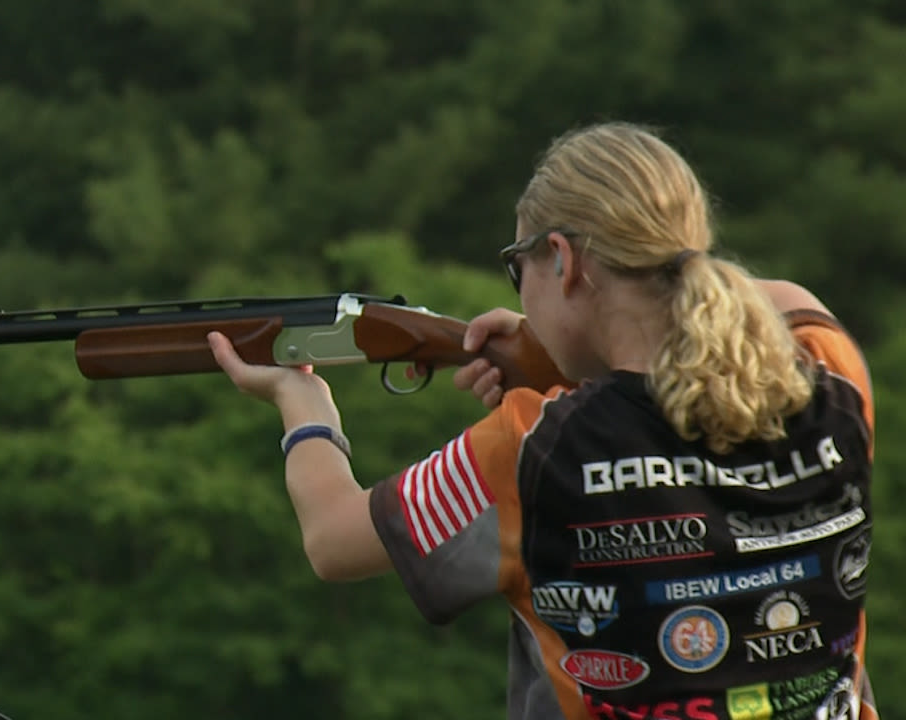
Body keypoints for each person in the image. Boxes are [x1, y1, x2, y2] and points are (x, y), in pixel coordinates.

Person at [207, 121, 877, 720]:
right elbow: (773, 305)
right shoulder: (828, 371)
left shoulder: (537, 445)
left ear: (563, 258)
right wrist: (569, 352)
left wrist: (304, 406)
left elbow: (332, 539)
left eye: (517, 267)